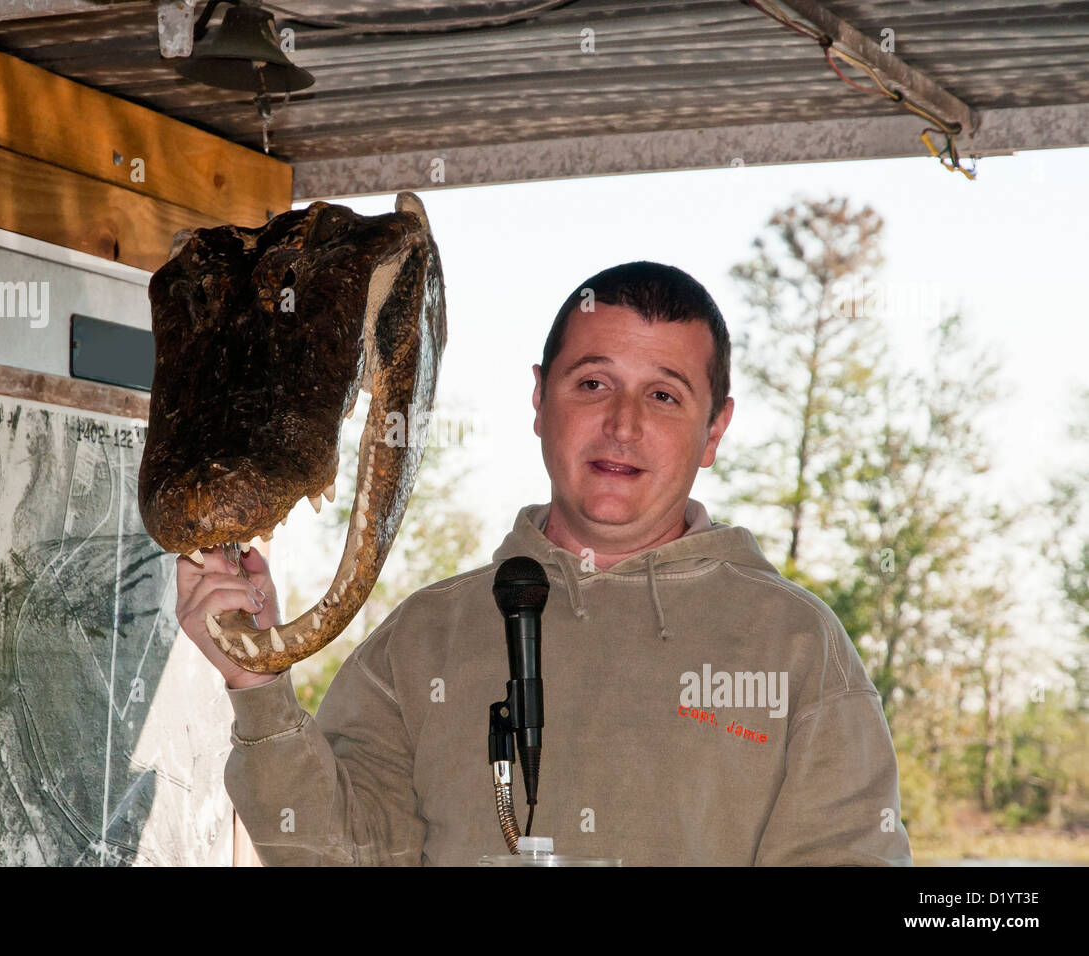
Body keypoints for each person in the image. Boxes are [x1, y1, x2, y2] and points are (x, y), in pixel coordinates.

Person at [174, 261, 913, 866]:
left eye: (663, 394)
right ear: (538, 398)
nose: (623, 426)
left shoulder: (799, 649)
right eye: (593, 384)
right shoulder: (424, 637)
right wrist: (258, 683)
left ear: (714, 428)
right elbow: (331, 857)